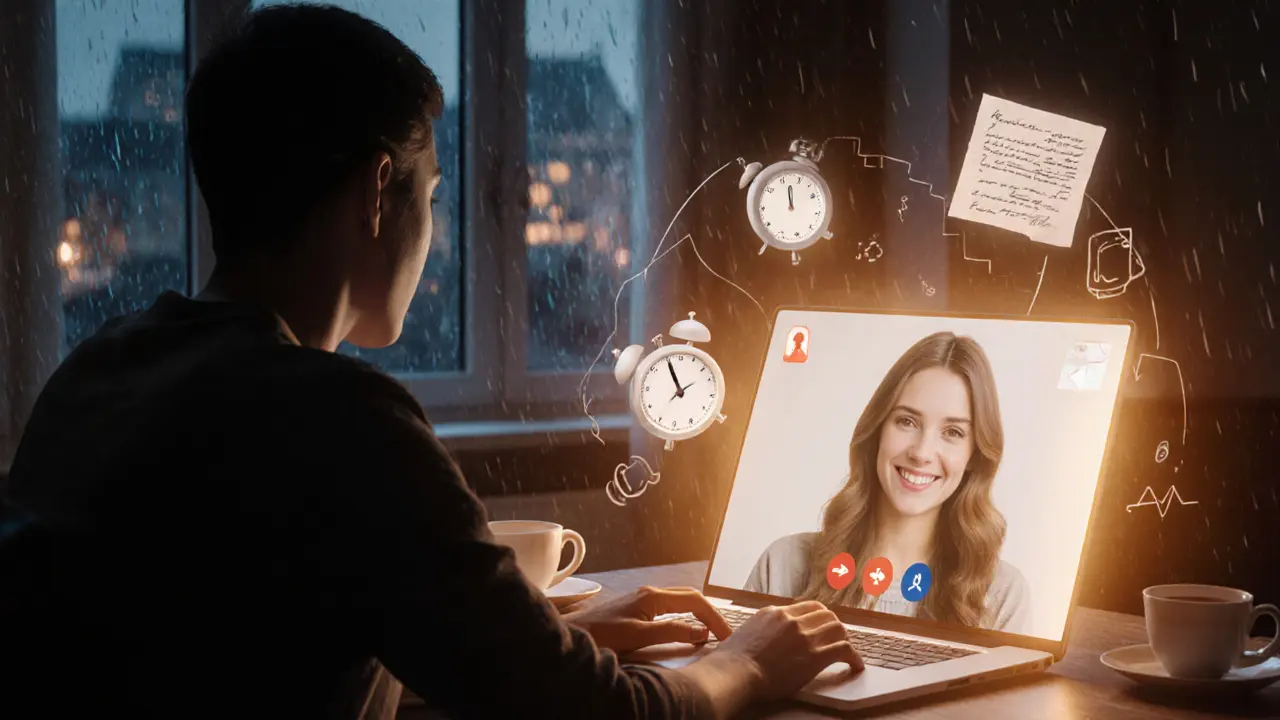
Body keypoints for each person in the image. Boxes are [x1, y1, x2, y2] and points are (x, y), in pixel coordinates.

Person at [0, 5, 864, 719]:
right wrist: (749, 660)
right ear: (379, 191)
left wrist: (564, 637)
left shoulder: (100, 373)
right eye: (435, 196)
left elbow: (247, 656)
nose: (437, 229)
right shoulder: (338, 421)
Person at [745, 331, 1031, 633]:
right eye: (907, 422)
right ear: (878, 429)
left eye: (953, 433)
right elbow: (731, 677)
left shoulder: (1002, 595)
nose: (921, 453)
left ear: (974, 455)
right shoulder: (784, 564)